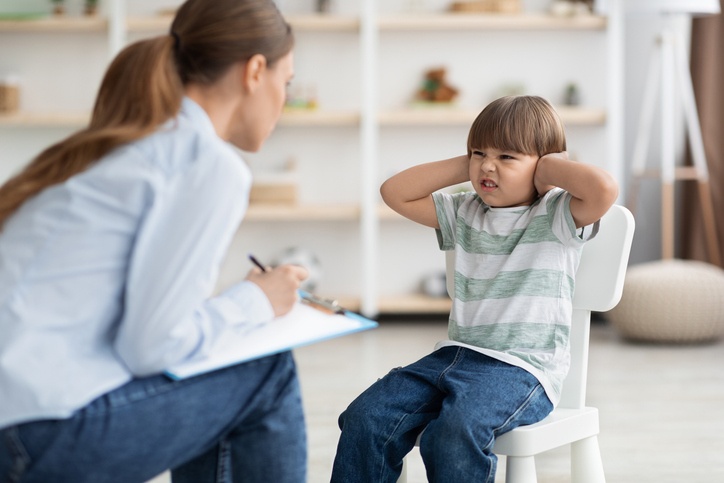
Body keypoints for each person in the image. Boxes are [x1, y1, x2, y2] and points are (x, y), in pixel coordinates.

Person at [0, 1, 310, 482]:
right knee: (265, 369)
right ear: (254, 72)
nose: (284, 101)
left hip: (15, 412)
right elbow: (151, 347)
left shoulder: (120, 142)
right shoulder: (205, 161)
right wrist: (255, 301)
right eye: (285, 83)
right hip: (32, 433)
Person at [331, 95, 619, 482]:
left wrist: (547, 166)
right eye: (480, 153)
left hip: (522, 369)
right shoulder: (463, 210)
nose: (488, 165)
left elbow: (603, 189)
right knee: (366, 418)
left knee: (451, 434)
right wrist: (472, 162)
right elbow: (393, 192)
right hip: (455, 356)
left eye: (508, 157)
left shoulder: (556, 213)